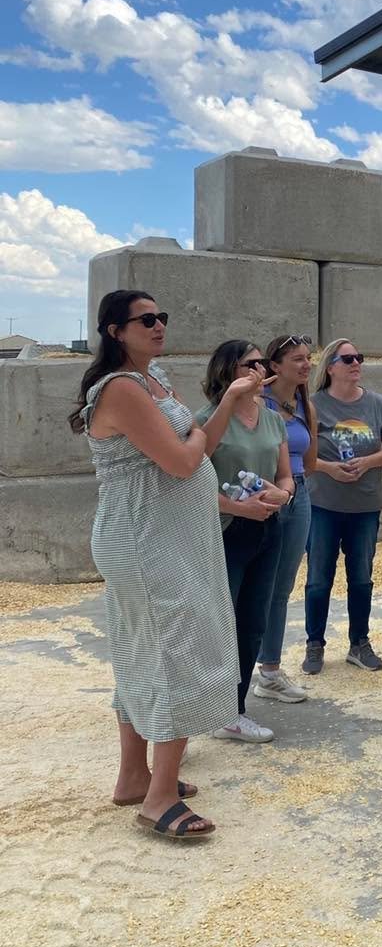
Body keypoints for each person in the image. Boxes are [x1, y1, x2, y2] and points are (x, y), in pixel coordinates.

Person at [70, 290, 251, 840]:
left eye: (162, 317)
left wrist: (219, 413)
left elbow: (203, 446)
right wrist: (218, 410)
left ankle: (135, 776)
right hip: (146, 537)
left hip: (169, 534)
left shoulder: (154, 380)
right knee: (177, 648)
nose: (159, 325)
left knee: (143, 645)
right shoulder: (122, 389)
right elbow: (181, 460)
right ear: (113, 331)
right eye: (146, 319)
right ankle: (160, 796)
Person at [196, 341, 293, 744]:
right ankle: (202, 709)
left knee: (253, 621)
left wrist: (280, 494)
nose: (260, 370)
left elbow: (287, 476)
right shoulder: (207, 419)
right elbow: (190, 480)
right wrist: (237, 508)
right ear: (228, 370)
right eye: (250, 364)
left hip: (268, 528)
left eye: (262, 363)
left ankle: (233, 711)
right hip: (225, 530)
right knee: (218, 624)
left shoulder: (273, 419)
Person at [302, 339, 382, 675]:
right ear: (330, 366)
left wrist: (368, 462)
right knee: (318, 579)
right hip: (323, 505)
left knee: (361, 578)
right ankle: (314, 645)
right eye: (347, 359)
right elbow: (299, 455)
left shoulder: (376, 403)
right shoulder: (313, 404)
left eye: (359, 357)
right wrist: (330, 468)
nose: (356, 363)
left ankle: (359, 643)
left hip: (365, 505)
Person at [252, 334, 318, 704]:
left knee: (281, 586)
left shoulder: (305, 406)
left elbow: (309, 462)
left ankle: (270, 669)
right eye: (297, 359)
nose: (307, 365)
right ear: (274, 366)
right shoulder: (257, 402)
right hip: (264, 496)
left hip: (299, 494)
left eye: (308, 358)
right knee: (256, 586)